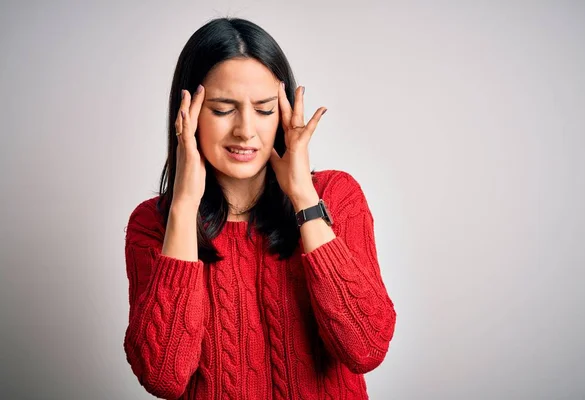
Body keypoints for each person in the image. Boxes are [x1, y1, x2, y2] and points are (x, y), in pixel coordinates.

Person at [123, 17, 396, 400]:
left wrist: (304, 197)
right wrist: (184, 206)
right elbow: (163, 375)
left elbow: (365, 347)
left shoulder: (336, 196)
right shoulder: (154, 224)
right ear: (188, 114)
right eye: (222, 110)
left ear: (283, 115)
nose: (245, 130)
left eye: (265, 110)